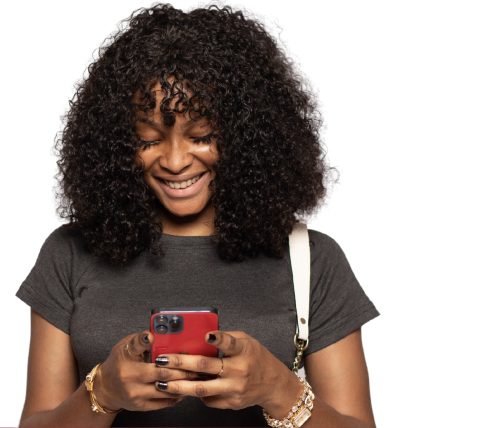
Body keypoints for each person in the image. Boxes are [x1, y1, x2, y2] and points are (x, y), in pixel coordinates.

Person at [16, 4, 379, 427]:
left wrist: (277, 391)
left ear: (248, 134)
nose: (174, 161)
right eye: (148, 138)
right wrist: (104, 393)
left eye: (201, 136)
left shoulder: (313, 259)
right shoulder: (70, 253)